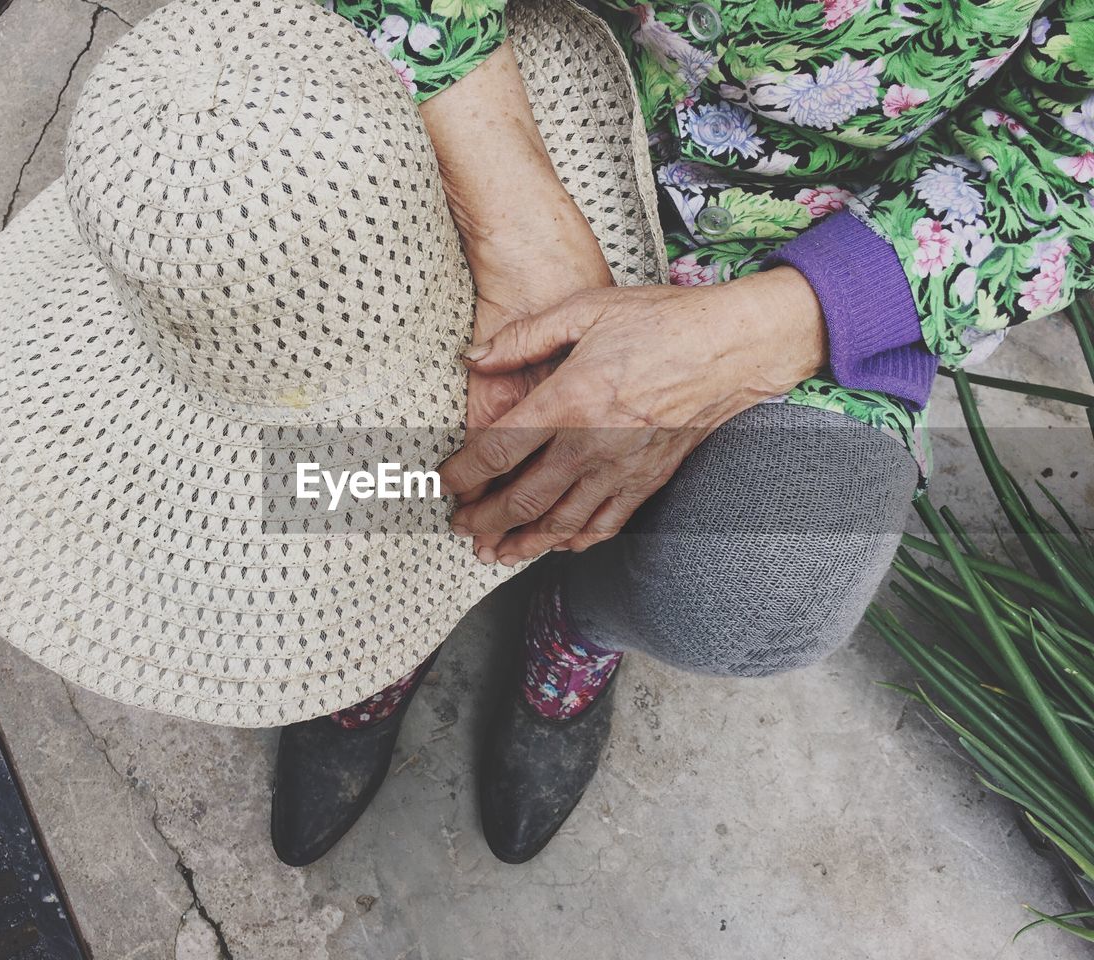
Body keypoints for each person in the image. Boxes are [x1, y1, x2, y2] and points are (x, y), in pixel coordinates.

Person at [271, 0, 1094, 864]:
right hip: (507, 89)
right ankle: (385, 622)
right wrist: (515, 226)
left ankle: (578, 618)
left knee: (760, 592)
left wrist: (749, 339)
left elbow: (1069, 171)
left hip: (816, 231)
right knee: (348, 411)